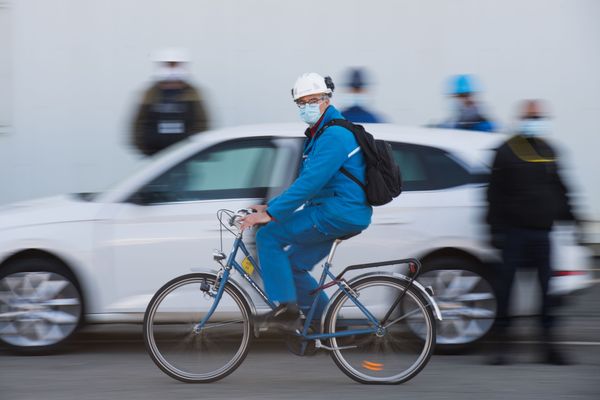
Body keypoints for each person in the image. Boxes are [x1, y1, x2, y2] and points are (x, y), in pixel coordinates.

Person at [240, 72, 372, 331]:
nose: (306, 107)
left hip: (337, 213)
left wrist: (271, 215)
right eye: (301, 103)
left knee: (268, 236)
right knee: (293, 265)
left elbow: (310, 183)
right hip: (334, 211)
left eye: (312, 100)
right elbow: (308, 184)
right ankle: (328, 326)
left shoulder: (334, 135)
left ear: (326, 99)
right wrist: (271, 207)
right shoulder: (320, 134)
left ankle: (287, 310)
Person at [486, 100, 576, 365]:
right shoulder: (506, 150)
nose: (534, 121)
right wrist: (494, 230)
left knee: (546, 293)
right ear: (520, 119)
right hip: (513, 234)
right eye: (530, 117)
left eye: (538, 117)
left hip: (542, 234)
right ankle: (502, 346)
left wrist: (574, 221)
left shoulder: (550, 150)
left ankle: (549, 347)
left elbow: (562, 189)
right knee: (506, 292)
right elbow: (494, 194)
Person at [131, 48, 209, 156]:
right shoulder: (150, 94)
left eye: (175, 64)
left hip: (185, 156)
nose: (172, 69)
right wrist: (146, 150)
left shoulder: (192, 93)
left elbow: (202, 123)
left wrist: (195, 150)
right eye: (168, 64)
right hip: (156, 155)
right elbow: (138, 124)